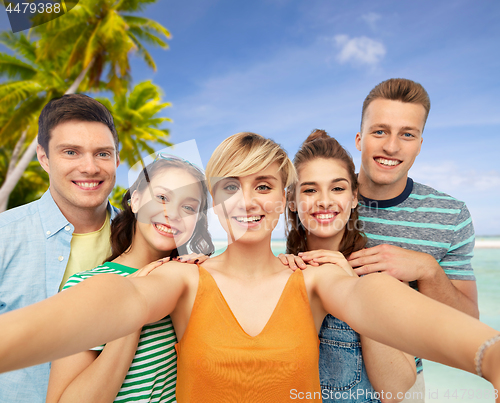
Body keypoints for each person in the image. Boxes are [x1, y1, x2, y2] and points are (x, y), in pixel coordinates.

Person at [0, 133, 499, 403]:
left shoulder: (314, 279)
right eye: (230, 187)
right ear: (214, 203)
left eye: (263, 186)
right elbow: (115, 299)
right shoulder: (184, 277)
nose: (247, 201)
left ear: (283, 200)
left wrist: (487, 355)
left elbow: (378, 301)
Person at [45, 156, 214, 402]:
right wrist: (133, 312)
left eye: (188, 207)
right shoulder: (85, 287)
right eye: (162, 198)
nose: (172, 214)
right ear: (135, 201)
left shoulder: (195, 283)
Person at [349, 78, 478, 396]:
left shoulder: (451, 215)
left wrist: (428, 269)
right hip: (313, 379)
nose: (391, 147)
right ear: (359, 139)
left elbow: (468, 323)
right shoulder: (320, 199)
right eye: (379, 131)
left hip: (403, 385)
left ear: (420, 143)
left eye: (407, 134)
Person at [0, 94, 121, 403]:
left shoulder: (144, 240)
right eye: (71, 152)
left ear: (117, 159)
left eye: (103, 154)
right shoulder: (5, 235)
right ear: (44, 158)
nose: (90, 167)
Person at [281, 129, 417, 403]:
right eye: (310, 189)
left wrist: (360, 292)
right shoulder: (279, 271)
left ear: (354, 197)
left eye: (338, 188)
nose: (324, 200)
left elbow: (396, 390)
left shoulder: (381, 274)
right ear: (292, 201)